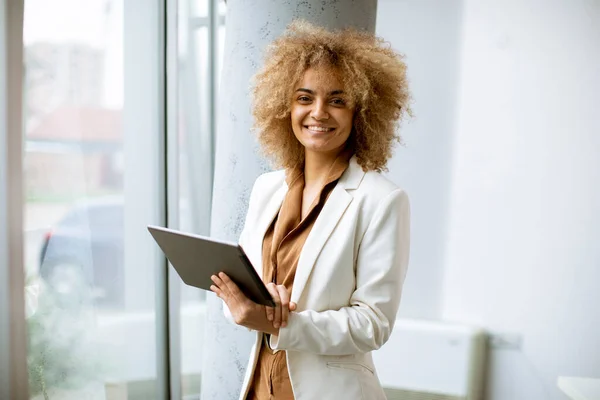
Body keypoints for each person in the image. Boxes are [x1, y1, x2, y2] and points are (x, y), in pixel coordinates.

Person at [210, 20, 411, 400]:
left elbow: (373, 325)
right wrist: (253, 304)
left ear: (361, 112)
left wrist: (281, 324)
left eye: (337, 100)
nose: (318, 112)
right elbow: (241, 298)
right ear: (285, 106)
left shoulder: (382, 200)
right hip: (257, 387)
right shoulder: (267, 188)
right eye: (304, 98)